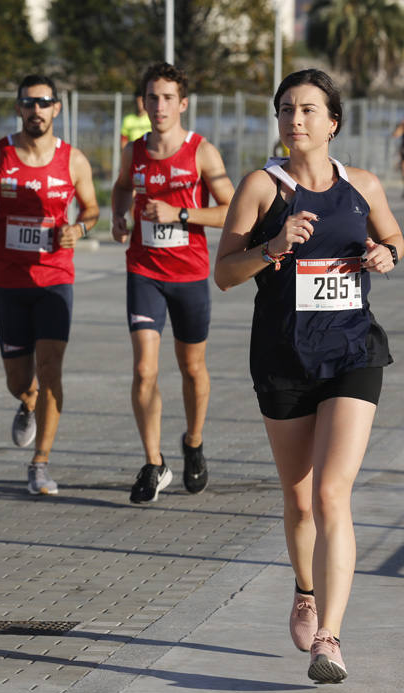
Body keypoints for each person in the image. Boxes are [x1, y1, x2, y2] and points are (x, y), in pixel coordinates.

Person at [213, 68, 404, 683]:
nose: (296, 119)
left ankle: (330, 637)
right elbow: (224, 273)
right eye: (286, 109)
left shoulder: (362, 185)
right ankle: (305, 588)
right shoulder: (261, 188)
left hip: (353, 353)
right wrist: (270, 248)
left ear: (333, 122)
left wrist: (387, 253)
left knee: (330, 493)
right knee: (298, 500)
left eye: (308, 110)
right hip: (283, 358)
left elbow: (393, 234)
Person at [0, 75, 99, 496]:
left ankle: (40, 463)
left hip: (55, 277)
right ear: (19, 108)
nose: (36, 110)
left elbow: (90, 209)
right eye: (28, 103)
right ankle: (27, 401)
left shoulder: (73, 160)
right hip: (9, 279)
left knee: (52, 368)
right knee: (19, 378)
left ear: (57, 109)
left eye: (44, 103)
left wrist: (81, 229)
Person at [109, 62, 234, 503]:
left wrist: (181, 214)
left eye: (167, 98)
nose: (158, 106)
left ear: (182, 104)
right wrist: (119, 216)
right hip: (144, 271)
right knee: (144, 368)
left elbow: (232, 211)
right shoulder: (134, 151)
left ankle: (194, 443)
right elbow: (122, 187)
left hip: (190, 274)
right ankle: (153, 461)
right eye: (151, 97)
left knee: (192, 368)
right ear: (142, 103)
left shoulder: (202, 152)